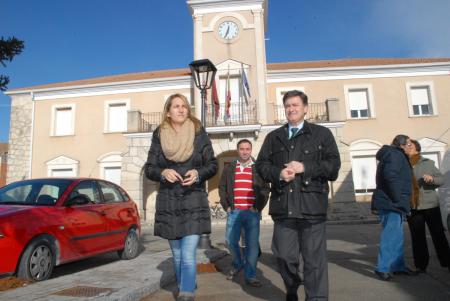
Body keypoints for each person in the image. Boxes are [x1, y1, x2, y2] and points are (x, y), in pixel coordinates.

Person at [256, 90, 341, 301]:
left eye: (295, 105)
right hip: (284, 209)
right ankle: (292, 286)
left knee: (315, 263)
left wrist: (305, 167)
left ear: (305, 108)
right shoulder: (274, 137)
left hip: (312, 209)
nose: (291, 109)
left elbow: (333, 167)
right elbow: (261, 166)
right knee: (284, 256)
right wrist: (278, 174)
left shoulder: (322, 134)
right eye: (287, 106)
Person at [145, 93, 217, 301]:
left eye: (184, 106)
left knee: (187, 254)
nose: (181, 109)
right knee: (177, 255)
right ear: (168, 111)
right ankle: (186, 282)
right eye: (176, 106)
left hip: (193, 199)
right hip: (169, 201)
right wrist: (162, 173)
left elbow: (212, 164)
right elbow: (149, 167)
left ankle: (186, 292)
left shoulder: (198, 132)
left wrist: (198, 173)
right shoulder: (159, 134)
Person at [219, 139, 269, 287]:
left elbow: (266, 189)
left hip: (252, 212)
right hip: (234, 211)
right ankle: (238, 262)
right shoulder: (230, 168)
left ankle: (251, 275)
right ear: (238, 150)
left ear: (251, 150)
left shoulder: (258, 168)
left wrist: (257, 207)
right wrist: (227, 206)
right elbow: (222, 188)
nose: (245, 151)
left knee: (252, 245)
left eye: (247, 149)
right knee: (230, 241)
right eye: (242, 149)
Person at [371, 134, 418, 281]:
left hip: (393, 202)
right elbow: (390, 176)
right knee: (390, 237)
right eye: (409, 144)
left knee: (397, 237)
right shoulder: (394, 154)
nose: (411, 147)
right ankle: (382, 268)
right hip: (391, 202)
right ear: (401, 145)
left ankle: (398, 267)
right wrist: (399, 197)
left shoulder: (394, 154)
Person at [406, 139, 450, 273]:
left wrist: (432, 179)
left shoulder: (428, 163)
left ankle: (447, 262)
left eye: (410, 145)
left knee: (438, 235)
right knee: (417, 237)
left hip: (430, 205)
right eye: (406, 145)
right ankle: (420, 266)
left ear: (417, 149)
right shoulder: (403, 165)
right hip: (413, 207)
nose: (407, 147)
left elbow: (441, 180)